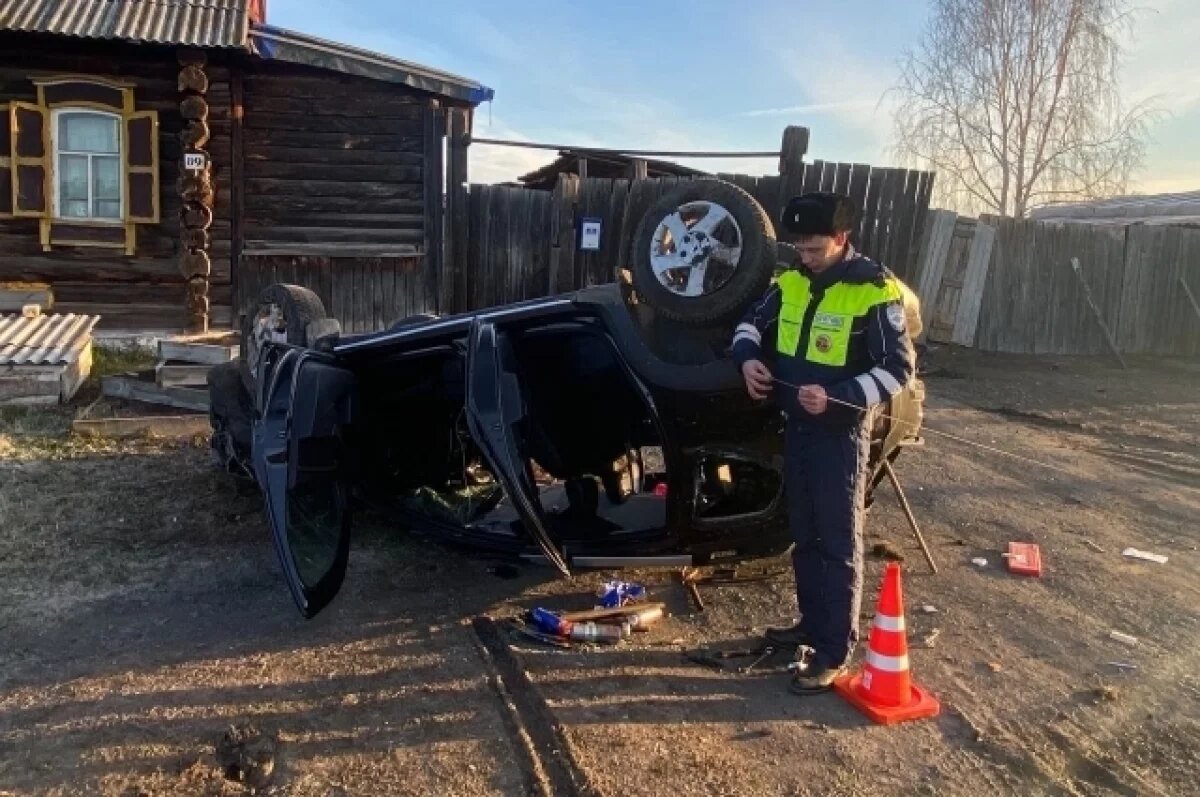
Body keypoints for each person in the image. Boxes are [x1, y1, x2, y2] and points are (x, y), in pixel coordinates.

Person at [731, 192, 915, 694]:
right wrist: (747, 359)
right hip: (797, 431)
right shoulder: (789, 280)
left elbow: (898, 369)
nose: (805, 258)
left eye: (814, 249)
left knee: (837, 543)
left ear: (842, 239)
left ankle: (833, 651)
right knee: (804, 536)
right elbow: (749, 324)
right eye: (799, 249)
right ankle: (811, 627)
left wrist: (839, 396)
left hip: (841, 438)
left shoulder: (874, 290)